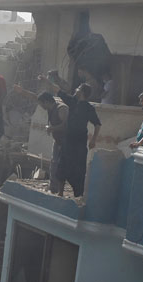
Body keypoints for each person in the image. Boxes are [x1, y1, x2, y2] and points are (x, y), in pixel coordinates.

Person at [46, 71, 102, 199]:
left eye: (78, 88)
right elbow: (57, 90)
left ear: (81, 92)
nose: (75, 90)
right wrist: (46, 80)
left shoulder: (88, 108)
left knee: (79, 168)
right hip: (68, 139)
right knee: (62, 164)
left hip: (80, 142)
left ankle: (78, 195)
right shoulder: (72, 101)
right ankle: (60, 192)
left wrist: (93, 140)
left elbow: (97, 124)